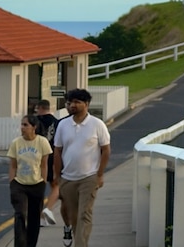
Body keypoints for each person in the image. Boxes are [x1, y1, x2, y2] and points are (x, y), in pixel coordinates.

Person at [53, 88, 111, 247]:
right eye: (70, 102)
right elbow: (57, 151)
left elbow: (106, 150)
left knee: (84, 214)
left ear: (86, 104)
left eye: (77, 102)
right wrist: (58, 177)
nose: (72, 105)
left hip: (89, 177)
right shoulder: (63, 125)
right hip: (68, 178)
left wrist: (100, 174)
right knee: (74, 216)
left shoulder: (97, 124)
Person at [7, 114, 52, 247]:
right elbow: (13, 165)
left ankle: (31, 244)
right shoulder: (16, 143)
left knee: (34, 217)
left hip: (37, 184)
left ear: (34, 127)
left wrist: (43, 182)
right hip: (19, 184)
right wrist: (12, 183)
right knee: (20, 213)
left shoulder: (42, 142)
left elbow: (44, 165)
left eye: (25, 125)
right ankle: (20, 244)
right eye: (22, 124)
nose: (22, 127)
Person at [34, 99, 60, 227]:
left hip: (36, 156)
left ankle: (39, 217)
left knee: (38, 188)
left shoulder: (34, 122)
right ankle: (48, 209)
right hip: (52, 156)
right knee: (56, 185)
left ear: (40, 108)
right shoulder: (57, 123)